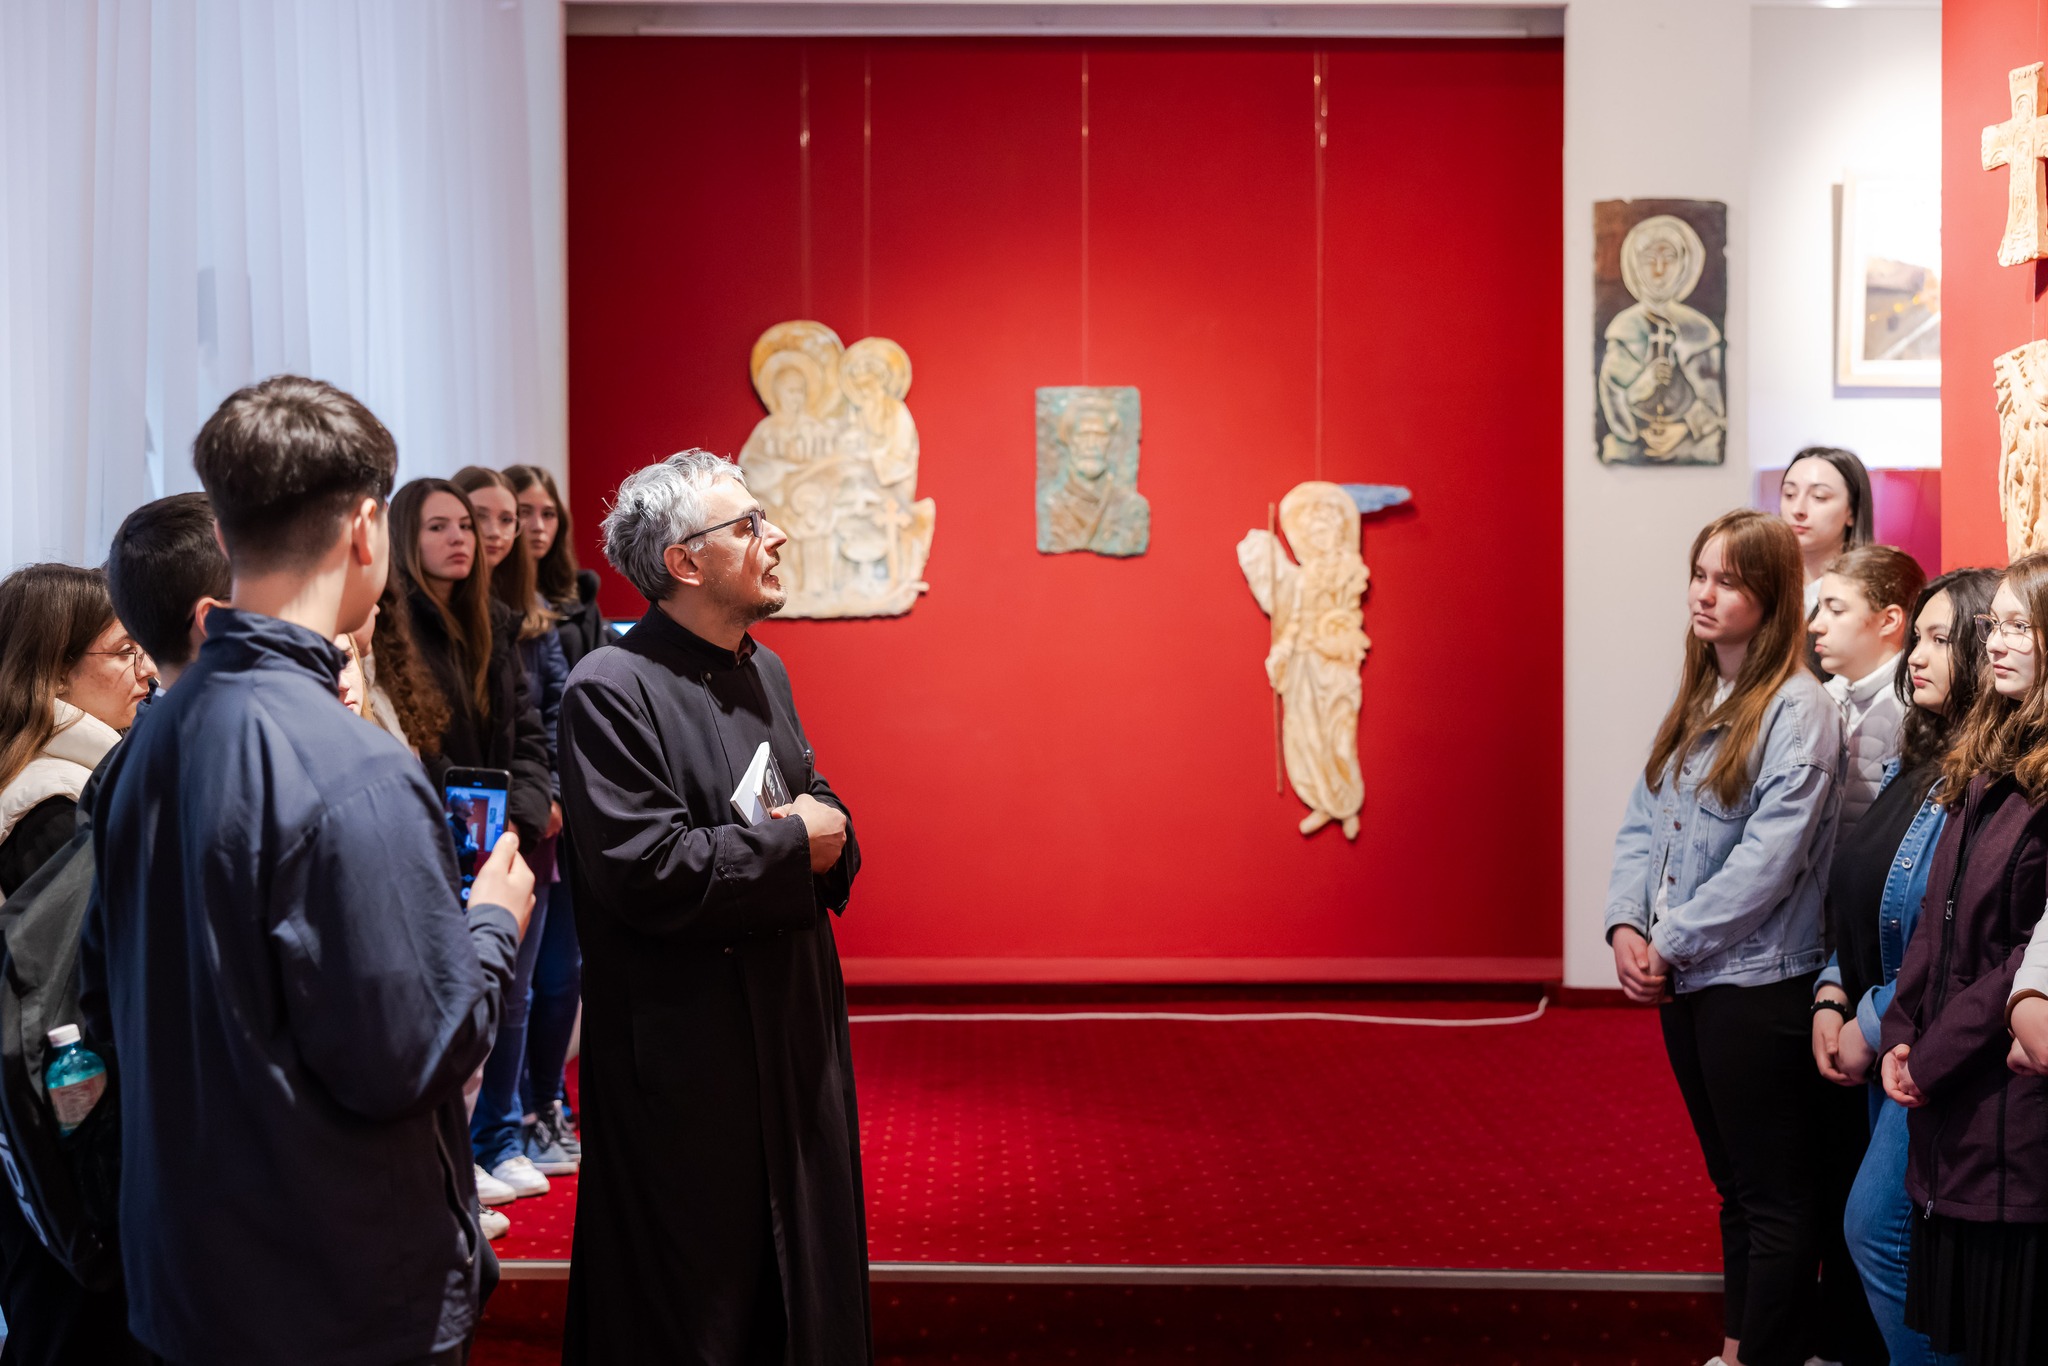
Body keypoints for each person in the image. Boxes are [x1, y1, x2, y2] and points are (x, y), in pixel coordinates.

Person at [81, 375, 535, 1366]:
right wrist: (493, 921)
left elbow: (104, 999)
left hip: (188, 1274)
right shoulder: (352, 765)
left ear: (227, 528)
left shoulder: (142, 748)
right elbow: (416, 1053)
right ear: (368, 529)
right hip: (334, 1289)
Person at [559, 450, 866, 1364]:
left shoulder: (765, 669)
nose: (777, 537)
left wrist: (820, 829)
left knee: (803, 1283)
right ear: (685, 561)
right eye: (749, 524)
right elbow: (646, 868)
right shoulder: (610, 688)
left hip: (791, 1024)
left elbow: (809, 794)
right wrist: (800, 840)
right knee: (699, 1305)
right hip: (687, 1055)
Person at [1604, 508, 1843, 1366]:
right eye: (1699, 575)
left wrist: (1668, 941)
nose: (1704, 595)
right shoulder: (1703, 690)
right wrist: (1626, 923)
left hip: (1758, 983)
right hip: (1694, 976)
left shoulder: (1798, 709)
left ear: (1770, 596)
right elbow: (1644, 821)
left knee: (1776, 1197)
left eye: (1728, 581)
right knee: (1734, 1185)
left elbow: (1766, 863)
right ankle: (1740, 1349)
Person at [1808, 568, 1999, 1366]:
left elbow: (1957, 941)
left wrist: (1870, 1016)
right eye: (1916, 637)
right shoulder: (1917, 756)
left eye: (1939, 639)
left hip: (1924, 1038)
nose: (1916, 656)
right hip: (1881, 1026)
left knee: (1879, 1234)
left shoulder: (1988, 778)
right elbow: (1865, 896)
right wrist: (1831, 989)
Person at [1881, 553, 2048, 1366]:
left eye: (2021, 626)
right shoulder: (1987, 757)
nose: (2000, 642)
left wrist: (1933, 1053)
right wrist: (1900, 1031)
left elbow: (2027, 954)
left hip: (2009, 1105)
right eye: (1996, 625)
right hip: (1953, 1095)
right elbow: (1934, 918)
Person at [390, 477, 554, 1198]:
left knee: (511, 997)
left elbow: (528, 736)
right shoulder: (392, 625)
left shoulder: (494, 621)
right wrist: (467, 820)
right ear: (404, 537)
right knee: (450, 1001)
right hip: (435, 840)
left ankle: (493, 1142)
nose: (460, 538)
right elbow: (412, 740)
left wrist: (518, 816)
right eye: (439, 527)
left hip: (504, 839)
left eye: (465, 525)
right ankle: (454, 1168)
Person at [451, 464, 576, 1178]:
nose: (501, 532)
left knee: (527, 985)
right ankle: (480, 1139)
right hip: (459, 821)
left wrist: (545, 798)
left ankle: (507, 1128)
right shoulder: (427, 615)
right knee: (477, 982)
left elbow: (547, 715)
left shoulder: (528, 614)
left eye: (512, 518)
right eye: (485, 518)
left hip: (525, 822)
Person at [504, 462, 595, 1158]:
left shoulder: (573, 599)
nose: (533, 527)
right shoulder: (495, 611)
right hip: (517, 810)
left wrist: (563, 793)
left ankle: (546, 1104)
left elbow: (569, 708)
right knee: (518, 980)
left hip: (568, 806)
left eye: (545, 514)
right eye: (518, 514)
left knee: (563, 972)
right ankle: (515, 1123)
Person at [0, 565, 153, 899]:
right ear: (56, 673)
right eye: (125, 652)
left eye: (143, 649)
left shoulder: (73, 782)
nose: (149, 670)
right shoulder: (55, 805)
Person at [1809, 545, 1925, 830]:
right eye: (1820, 608)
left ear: (1889, 620)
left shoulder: (1912, 710)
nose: (1815, 625)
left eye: (1836, 610)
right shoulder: (1824, 696)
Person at [1779, 447, 1874, 617]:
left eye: (1819, 496)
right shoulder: (1763, 584)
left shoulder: (1868, 594)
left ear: (1851, 512)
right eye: (1790, 494)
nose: (1797, 509)